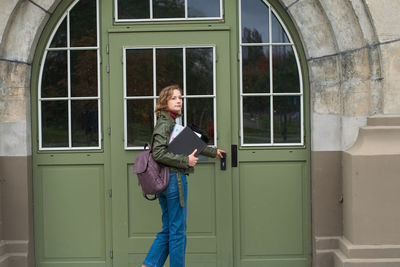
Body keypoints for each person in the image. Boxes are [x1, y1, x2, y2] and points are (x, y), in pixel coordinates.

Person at [142, 85, 225, 267]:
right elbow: (158, 153)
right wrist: (185, 161)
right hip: (173, 180)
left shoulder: (169, 122)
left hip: (166, 181)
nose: (179, 100)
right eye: (173, 98)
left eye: (180, 97)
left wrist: (213, 151)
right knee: (178, 231)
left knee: (169, 230)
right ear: (164, 102)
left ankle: (149, 265)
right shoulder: (166, 123)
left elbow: (185, 144)